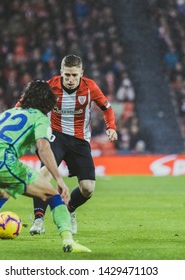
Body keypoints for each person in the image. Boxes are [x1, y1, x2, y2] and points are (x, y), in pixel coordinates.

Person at [0, 80, 91, 253]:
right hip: (3, 161)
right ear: (48, 104)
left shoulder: (6, 114)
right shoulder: (39, 118)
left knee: (2, 193)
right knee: (52, 195)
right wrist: (59, 179)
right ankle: (68, 241)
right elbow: (43, 148)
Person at [29, 54, 118, 235]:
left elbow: (107, 108)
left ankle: (69, 209)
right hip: (55, 136)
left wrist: (111, 127)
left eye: (74, 75)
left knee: (88, 188)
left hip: (79, 140)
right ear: (61, 72)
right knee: (44, 173)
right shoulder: (50, 86)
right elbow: (26, 103)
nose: (70, 80)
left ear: (81, 74)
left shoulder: (90, 87)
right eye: (67, 75)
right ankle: (38, 219)